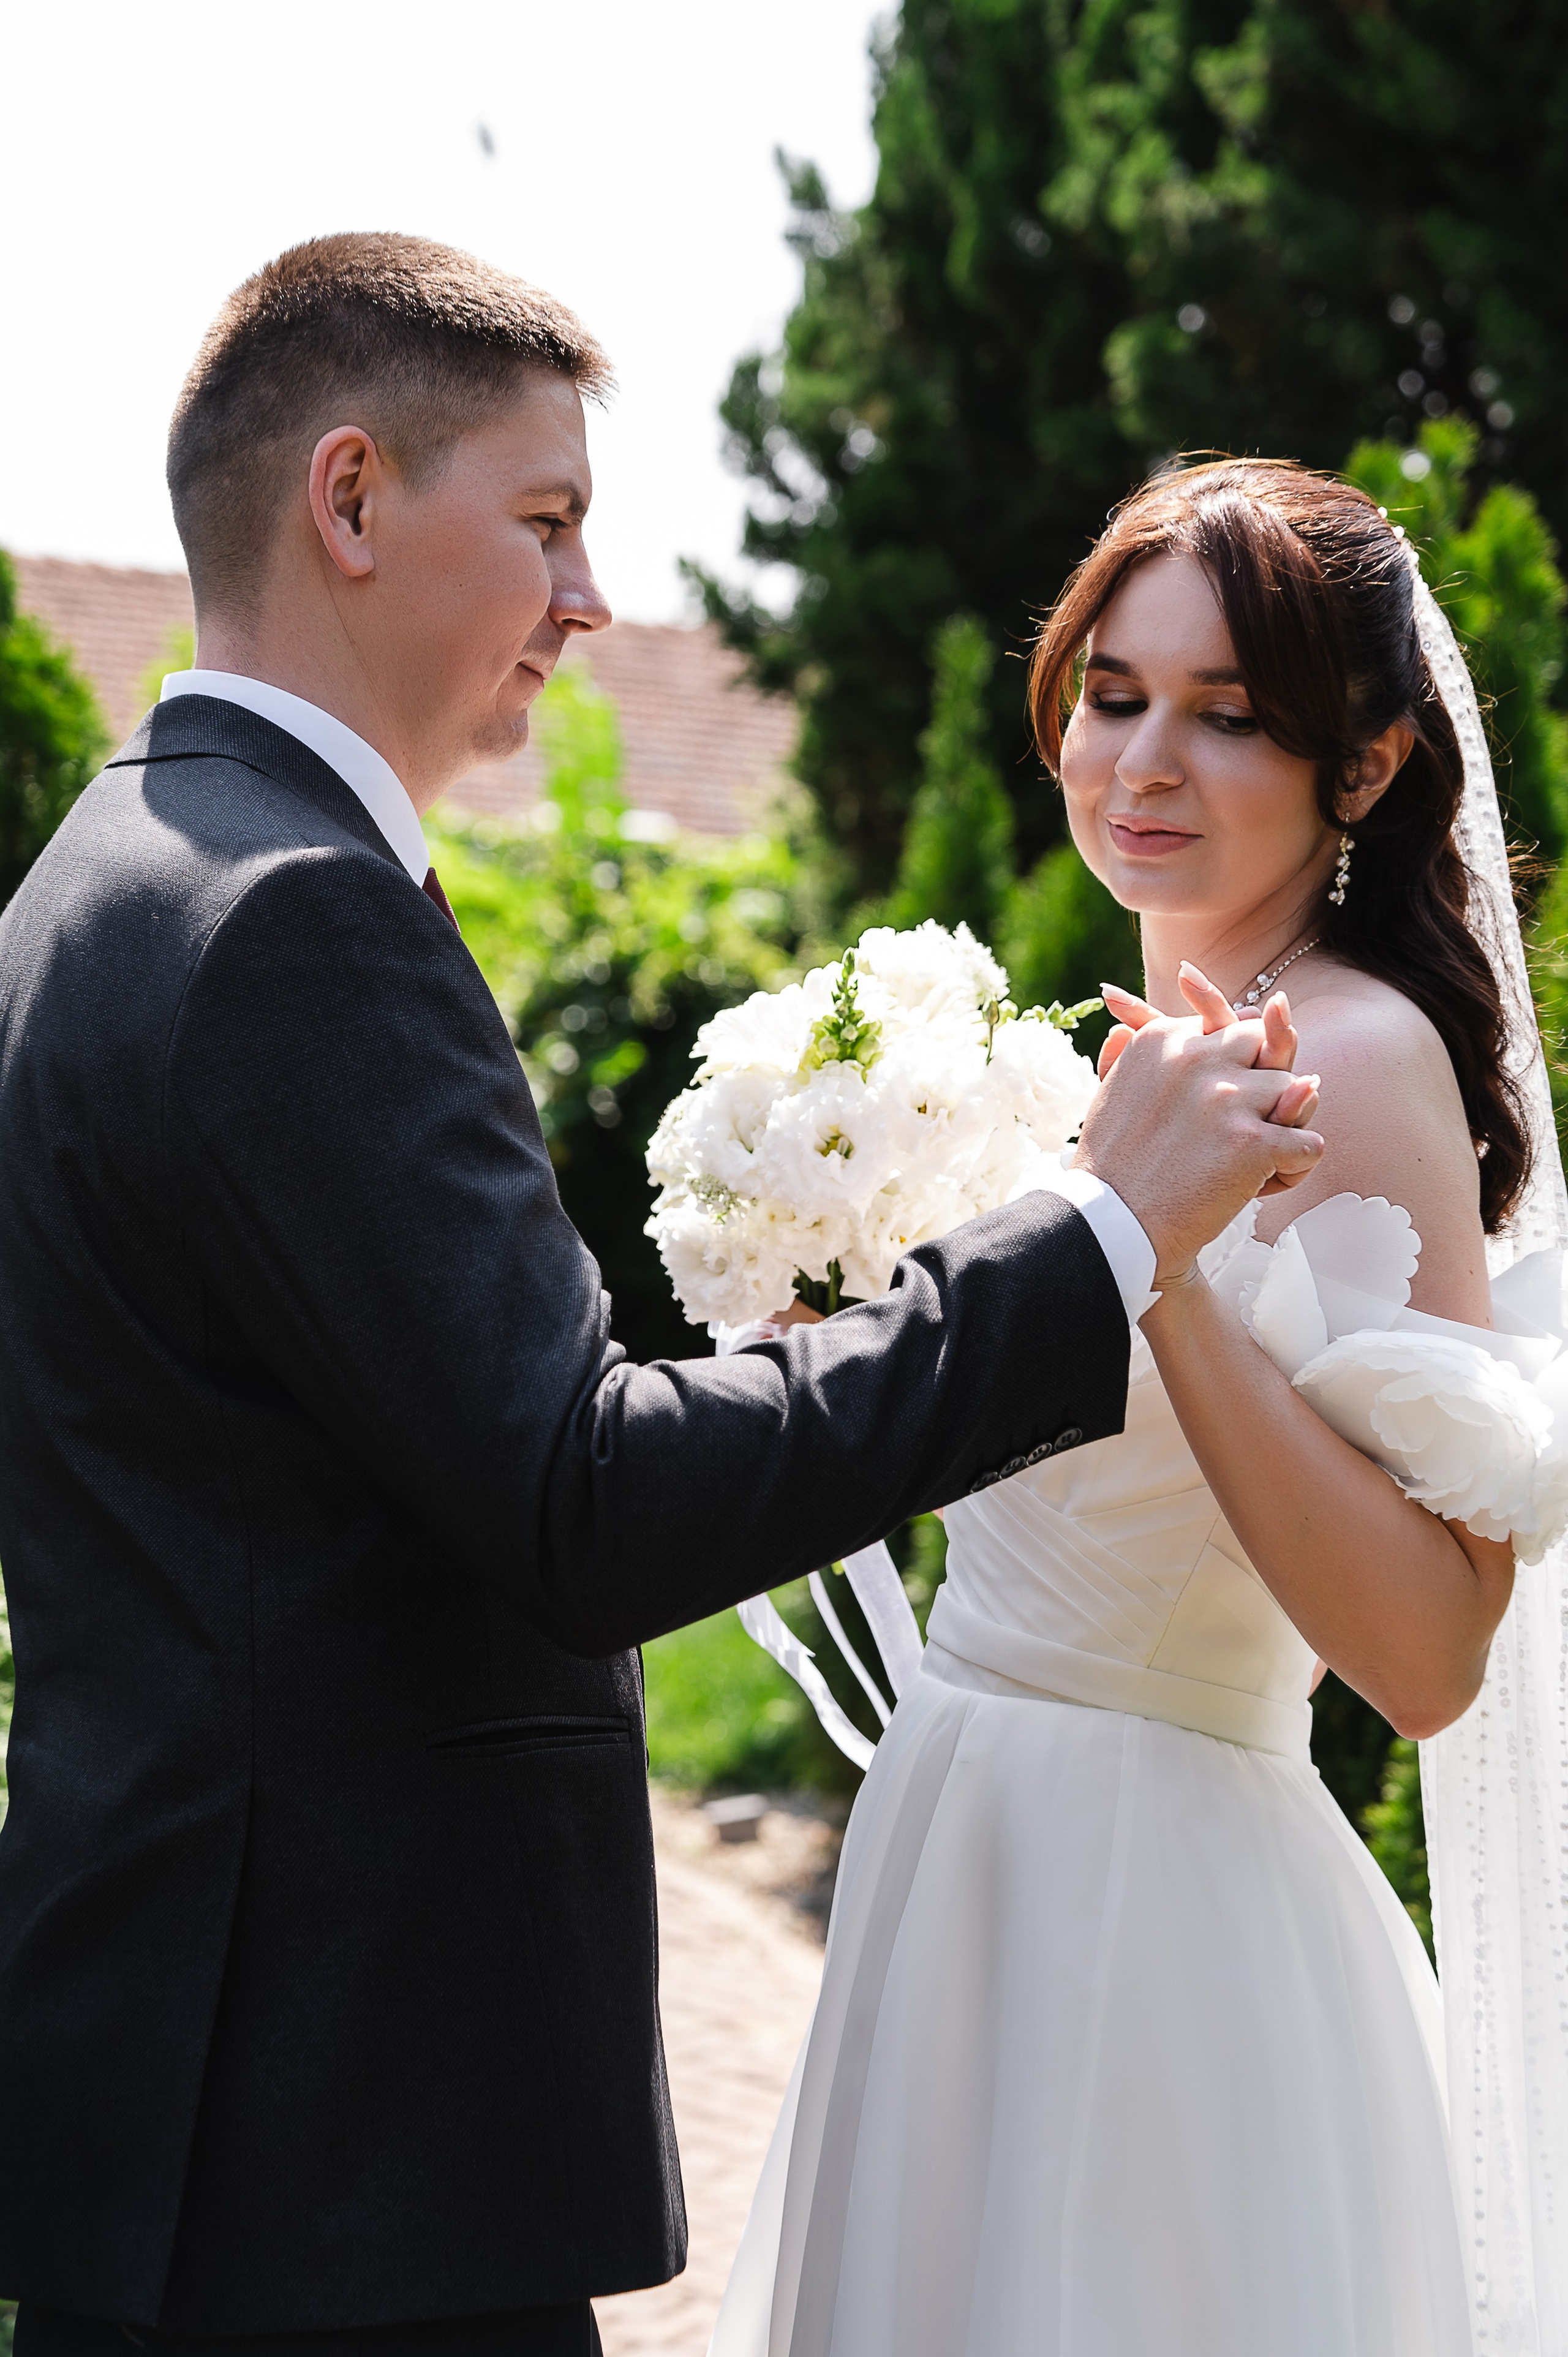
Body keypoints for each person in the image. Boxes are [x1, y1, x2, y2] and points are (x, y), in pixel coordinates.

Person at [0, 241, 1317, 2357]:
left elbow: (375, 1451)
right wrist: (1094, 1238)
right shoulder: (289, 924)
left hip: (217, 2112)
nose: (594, 598)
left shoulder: (110, 871)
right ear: (348, 500)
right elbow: (579, 1504)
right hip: (342, 2156)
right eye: (546, 522)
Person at [709, 458, 1568, 2356]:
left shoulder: (1344, 1060)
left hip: (1151, 1905)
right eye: (1114, 694)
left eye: (1229, 716)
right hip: (964, 1843)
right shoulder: (1123, 1040)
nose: (1140, 764)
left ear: (1366, 769)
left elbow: (1427, 1655)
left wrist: (1154, 1255)